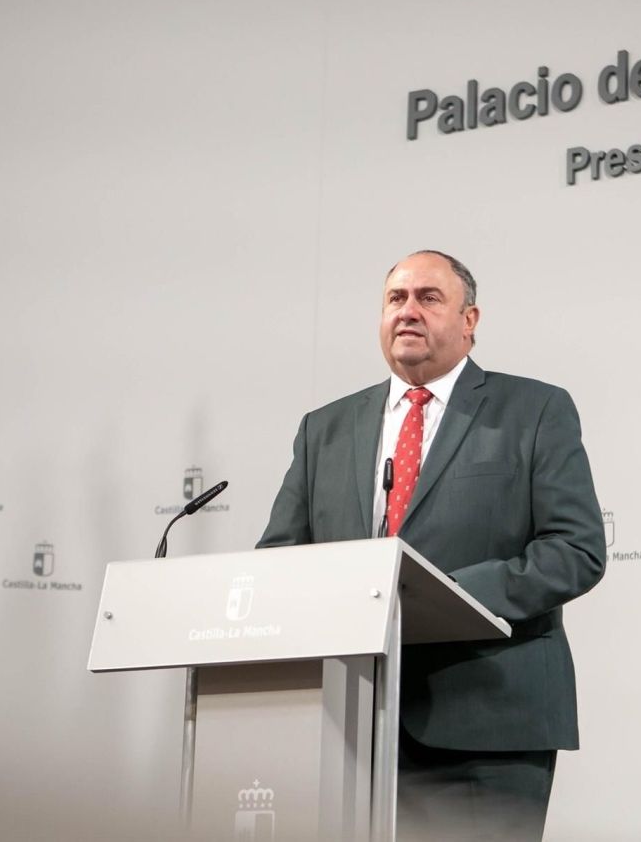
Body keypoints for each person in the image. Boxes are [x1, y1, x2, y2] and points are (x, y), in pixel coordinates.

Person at [257, 250, 606, 841]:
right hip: (349, 728)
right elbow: (280, 561)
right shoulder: (325, 429)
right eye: (396, 298)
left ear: (470, 320)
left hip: (485, 729)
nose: (408, 311)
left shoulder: (535, 410)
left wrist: (446, 597)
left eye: (428, 298)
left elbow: (576, 549)